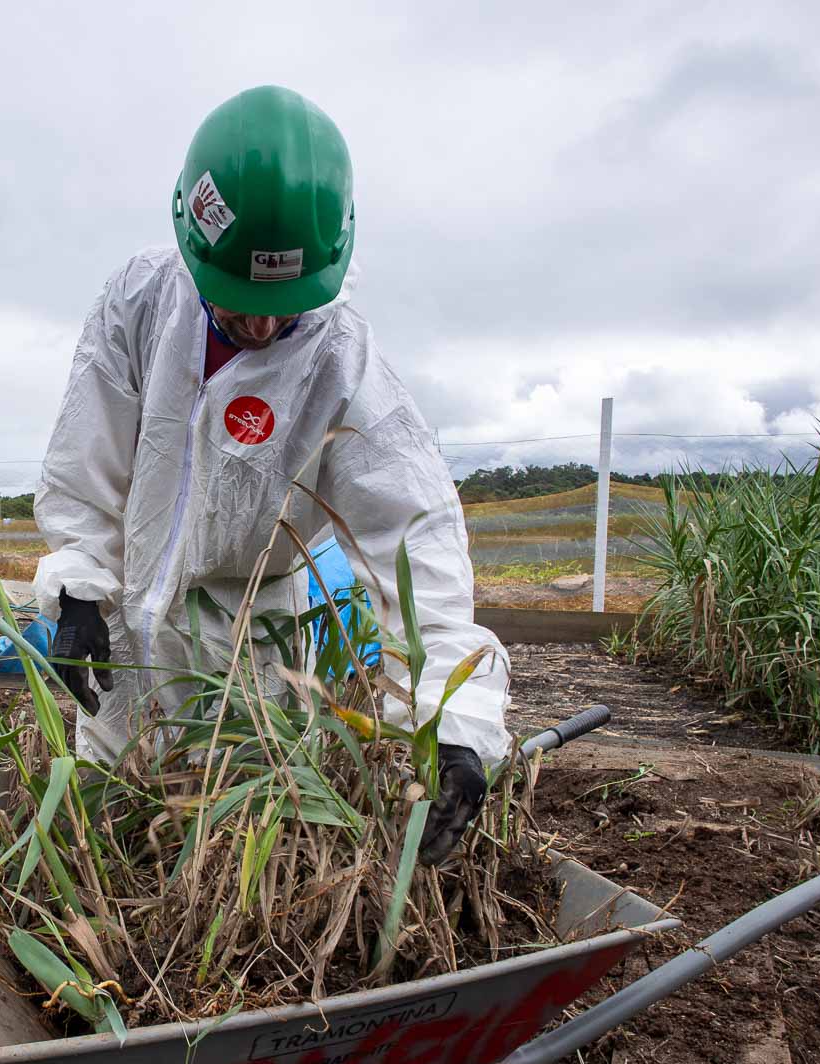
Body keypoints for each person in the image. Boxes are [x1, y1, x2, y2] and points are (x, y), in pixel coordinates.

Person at [33, 85, 511, 866]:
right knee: (113, 831)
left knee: (236, 836)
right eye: (238, 303)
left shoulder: (341, 366)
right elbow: (86, 457)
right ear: (195, 244)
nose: (259, 327)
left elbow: (415, 546)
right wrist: (81, 588)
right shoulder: (139, 303)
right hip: (124, 628)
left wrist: (452, 723)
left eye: (280, 309)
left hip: (249, 645)